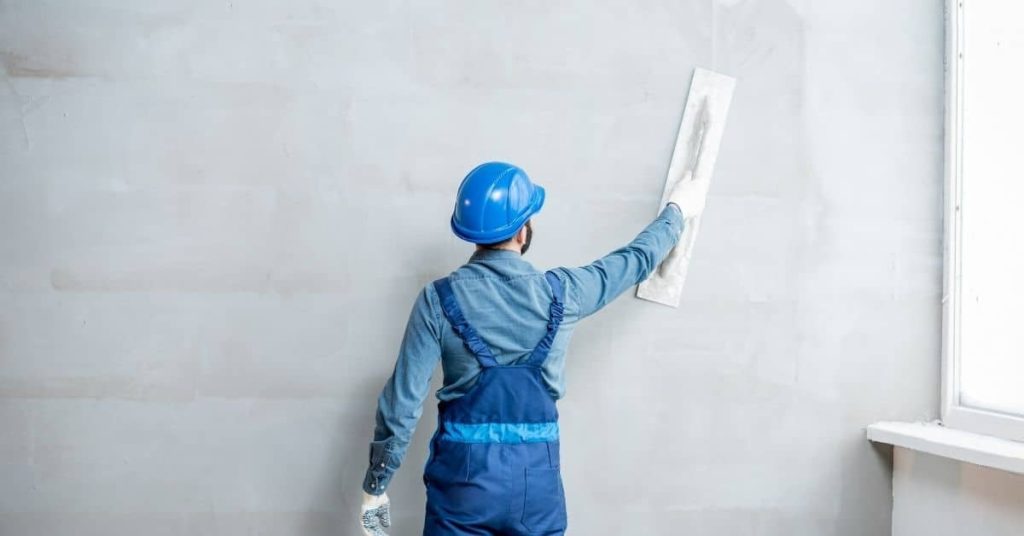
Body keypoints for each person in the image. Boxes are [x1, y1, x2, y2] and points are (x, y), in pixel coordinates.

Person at [359, 161, 709, 536]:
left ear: (471, 232)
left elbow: (402, 403)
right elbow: (632, 261)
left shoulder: (438, 300)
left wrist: (375, 487)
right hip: (536, 492)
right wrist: (676, 212)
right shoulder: (565, 292)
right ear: (523, 230)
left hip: (464, 491)